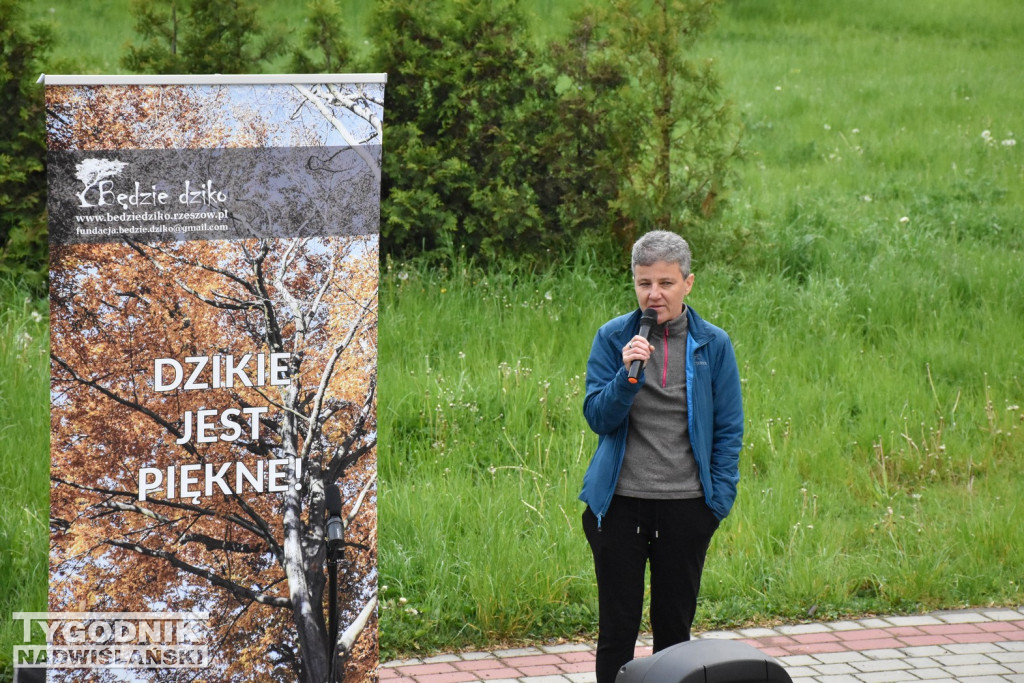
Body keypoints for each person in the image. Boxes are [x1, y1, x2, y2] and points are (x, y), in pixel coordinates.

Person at [579, 230, 743, 683]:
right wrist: (625, 378)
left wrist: (716, 504)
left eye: (665, 283)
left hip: (686, 509)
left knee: (674, 633)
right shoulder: (614, 338)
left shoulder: (714, 344)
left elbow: (729, 429)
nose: (654, 294)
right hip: (618, 508)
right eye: (643, 282)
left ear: (688, 283)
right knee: (617, 631)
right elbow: (597, 415)